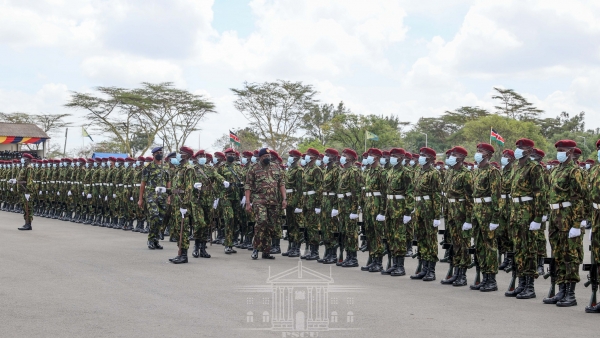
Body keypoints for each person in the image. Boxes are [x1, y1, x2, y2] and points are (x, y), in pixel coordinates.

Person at [543, 140, 585, 307]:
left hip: (568, 216)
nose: (559, 153)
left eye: (562, 150)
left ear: (570, 152)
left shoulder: (575, 171)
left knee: (570, 255)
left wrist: (576, 224)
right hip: (555, 216)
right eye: (558, 150)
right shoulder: (555, 171)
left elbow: (580, 199)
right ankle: (561, 289)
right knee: (558, 254)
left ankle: (571, 293)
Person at [505, 138, 546, 299]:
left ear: (529, 151)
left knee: (529, 250)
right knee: (519, 250)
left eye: (521, 148)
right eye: (517, 147)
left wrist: (537, 218)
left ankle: (530, 286)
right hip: (516, 212)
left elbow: (540, 194)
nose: (518, 150)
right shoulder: (516, 166)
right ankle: (521, 283)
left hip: (528, 212)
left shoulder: (534, 168)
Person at [244, 148, 287, 260]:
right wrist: (248, 202)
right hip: (259, 200)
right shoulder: (253, 168)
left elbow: (281, 183)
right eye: (264, 156)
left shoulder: (276, 167)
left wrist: (284, 199)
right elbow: (248, 185)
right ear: (260, 157)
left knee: (270, 225)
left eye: (268, 156)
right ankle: (256, 248)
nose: (267, 158)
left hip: (273, 201)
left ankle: (266, 251)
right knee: (261, 221)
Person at [471, 143, 502, 292]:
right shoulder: (477, 171)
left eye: (481, 151)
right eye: (477, 151)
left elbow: (496, 196)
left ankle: (491, 279)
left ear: (488, 155)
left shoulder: (492, 171)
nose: (477, 153)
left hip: (487, 212)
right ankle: (484, 276)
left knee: (489, 246)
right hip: (477, 211)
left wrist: (495, 218)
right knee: (479, 245)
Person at [441, 146, 473, 286]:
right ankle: (455, 271)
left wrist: (468, 219)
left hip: (461, 212)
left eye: (454, 155)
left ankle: (463, 275)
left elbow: (470, 198)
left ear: (461, 158)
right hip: (451, 212)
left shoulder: (466, 174)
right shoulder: (451, 173)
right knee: (455, 244)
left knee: (463, 244)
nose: (451, 157)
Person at [410, 147, 442, 282]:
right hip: (419, 209)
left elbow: (437, 195)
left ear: (429, 158)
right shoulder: (418, 171)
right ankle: (423, 268)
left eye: (423, 155)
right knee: (421, 239)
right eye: (420, 155)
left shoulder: (434, 173)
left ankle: (431, 270)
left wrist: (436, 215)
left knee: (430, 240)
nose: (420, 157)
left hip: (429, 210)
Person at [382, 148, 413, 276]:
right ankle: (394, 264)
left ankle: (400, 266)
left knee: (399, 237)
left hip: (399, 208)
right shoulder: (390, 171)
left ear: (401, 158)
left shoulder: (406, 172)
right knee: (390, 236)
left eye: (395, 156)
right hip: (390, 208)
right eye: (391, 155)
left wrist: (407, 211)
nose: (392, 158)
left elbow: (410, 193)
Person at [138, 147, 169, 250]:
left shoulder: (165, 166)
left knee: (160, 219)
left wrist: (169, 196)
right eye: (158, 153)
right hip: (151, 194)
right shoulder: (148, 167)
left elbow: (168, 181)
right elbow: (143, 184)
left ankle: (156, 240)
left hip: (163, 196)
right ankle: (151, 239)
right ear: (153, 155)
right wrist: (141, 199)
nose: (160, 154)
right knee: (154, 216)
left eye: (161, 152)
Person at [319, 148, 342, 264]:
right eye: (325, 154)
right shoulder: (325, 170)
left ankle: (333, 254)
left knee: (332, 228)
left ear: (333, 157)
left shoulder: (336, 171)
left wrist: (336, 207)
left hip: (332, 200)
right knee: (325, 228)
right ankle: (328, 252)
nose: (325, 156)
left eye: (328, 155)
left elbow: (338, 190)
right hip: (325, 201)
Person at [301, 148, 323, 260]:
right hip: (306, 200)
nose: (306, 156)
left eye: (309, 154)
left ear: (314, 157)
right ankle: (309, 249)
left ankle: (315, 252)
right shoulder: (306, 169)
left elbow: (319, 188)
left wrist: (318, 205)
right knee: (307, 226)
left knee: (313, 227)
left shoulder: (316, 170)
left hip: (313, 201)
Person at [283, 149, 304, 258]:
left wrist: (298, 204)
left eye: (291, 156)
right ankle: (291, 246)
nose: (289, 157)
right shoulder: (289, 169)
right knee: (290, 225)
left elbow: (300, 189)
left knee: (296, 225)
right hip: (288, 199)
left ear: (296, 158)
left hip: (295, 199)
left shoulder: (299, 170)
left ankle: (296, 247)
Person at [16, 153, 35, 230]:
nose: (22, 159)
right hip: (22, 191)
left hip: (27, 191)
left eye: (24, 158)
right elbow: (21, 179)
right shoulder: (24, 168)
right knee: (24, 207)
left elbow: (29, 181)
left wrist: (28, 191)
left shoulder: (29, 168)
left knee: (28, 207)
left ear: (28, 160)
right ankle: (26, 223)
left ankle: (28, 224)